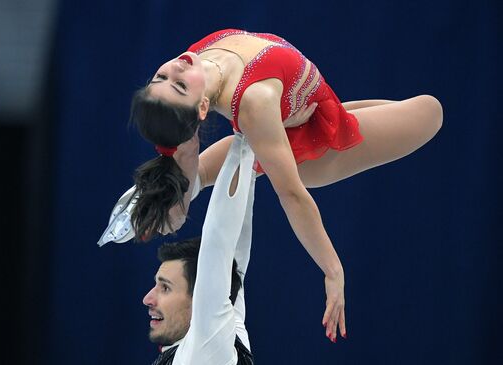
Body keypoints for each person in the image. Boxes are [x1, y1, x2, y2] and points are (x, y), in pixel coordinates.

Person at [128, 28, 444, 343]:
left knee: (226, 155)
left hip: (311, 113)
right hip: (316, 147)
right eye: (180, 86)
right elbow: (292, 195)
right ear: (201, 108)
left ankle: (169, 195)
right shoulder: (254, 101)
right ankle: (170, 202)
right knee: (431, 112)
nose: (176, 69)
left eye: (160, 78)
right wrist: (333, 270)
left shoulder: (195, 58)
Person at [144, 134, 257, 364]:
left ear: (200, 298)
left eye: (165, 288)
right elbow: (233, 249)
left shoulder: (204, 352)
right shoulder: (221, 337)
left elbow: (220, 242)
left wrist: (247, 132)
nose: (147, 298)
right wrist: (250, 146)